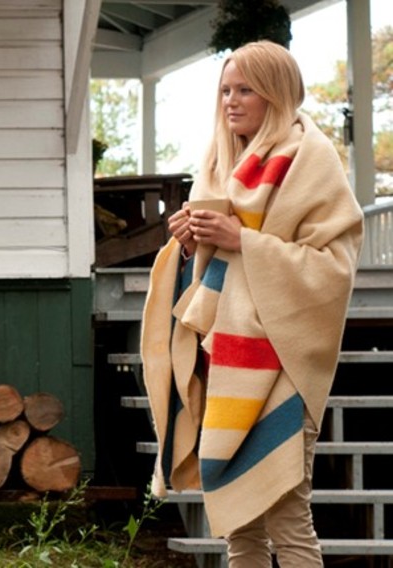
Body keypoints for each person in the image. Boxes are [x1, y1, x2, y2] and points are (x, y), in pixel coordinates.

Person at [140, 40, 364, 567]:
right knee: (238, 526)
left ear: (276, 93)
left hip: (282, 362)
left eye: (246, 90)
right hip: (226, 360)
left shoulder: (311, 158)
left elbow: (333, 268)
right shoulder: (221, 162)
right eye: (225, 90)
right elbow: (216, 272)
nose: (231, 102)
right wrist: (193, 243)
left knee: (288, 521)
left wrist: (243, 240)